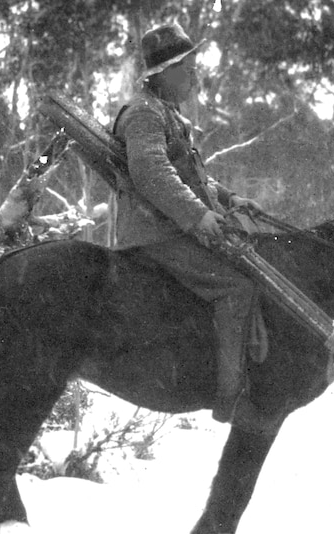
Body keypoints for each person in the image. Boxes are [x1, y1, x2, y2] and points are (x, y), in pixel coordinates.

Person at [113, 23, 277, 432]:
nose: (194, 76)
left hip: (171, 227)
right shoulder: (143, 114)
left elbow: (191, 178)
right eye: (187, 68)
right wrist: (198, 216)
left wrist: (230, 200)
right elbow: (151, 173)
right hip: (156, 234)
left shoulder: (164, 113)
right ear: (163, 72)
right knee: (236, 286)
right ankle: (230, 396)